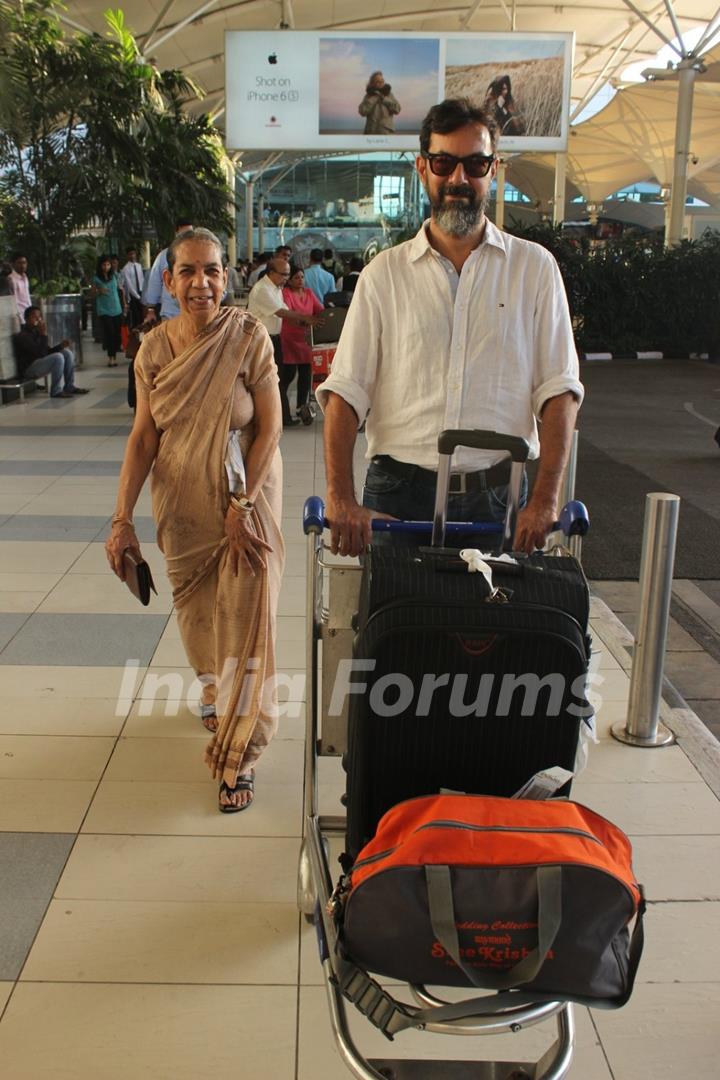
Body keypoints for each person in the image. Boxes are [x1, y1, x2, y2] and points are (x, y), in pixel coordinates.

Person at [316, 97, 583, 558]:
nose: (459, 178)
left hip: (499, 497)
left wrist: (544, 500)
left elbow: (559, 392)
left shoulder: (534, 269)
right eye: (444, 162)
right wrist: (341, 498)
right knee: (396, 627)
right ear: (423, 169)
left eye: (475, 163)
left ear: (492, 169)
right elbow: (346, 392)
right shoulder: (384, 274)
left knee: (493, 629)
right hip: (399, 497)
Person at [105, 227, 284, 813]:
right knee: (196, 611)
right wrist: (121, 518)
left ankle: (241, 754)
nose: (201, 282)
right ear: (169, 280)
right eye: (188, 271)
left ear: (226, 276)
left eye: (212, 270)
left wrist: (244, 504)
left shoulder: (249, 337)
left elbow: (271, 428)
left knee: (247, 612)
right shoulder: (153, 349)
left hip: (247, 497)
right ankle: (213, 685)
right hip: (180, 501)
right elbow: (143, 437)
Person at [247, 256, 322, 427]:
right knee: (275, 378)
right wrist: (305, 318)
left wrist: (304, 322)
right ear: (271, 272)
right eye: (284, 274)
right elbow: (281, 312)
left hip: (275, 338)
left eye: (288, 274)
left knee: (280, 377)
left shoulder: (276, 287)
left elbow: (287, 311)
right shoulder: (263, 290)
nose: (287, 278)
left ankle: (283, 415)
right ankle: (279, 416)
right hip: (262, 340)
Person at [280, 264, 324, 425]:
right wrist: (306, 320)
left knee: (305, 375)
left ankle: (301, 408)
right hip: (290, 338)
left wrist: (323, 316)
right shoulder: (286, 293)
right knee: (289, 374)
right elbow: (288, 314)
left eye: (302, 277)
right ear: (289, 280)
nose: (300, 280)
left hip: (305, 339)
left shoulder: (309, 293)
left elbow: (319, 309)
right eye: (296, 277)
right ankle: (282, 408)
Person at [13, 306, 89, 397]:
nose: (38, 319)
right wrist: (43, 335)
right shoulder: (23, 336)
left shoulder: (36, 332)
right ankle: (56, 391)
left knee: (67, 353)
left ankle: (69, 386)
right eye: (34, 317)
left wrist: (61, 346)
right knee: (58, 357)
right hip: (29, 369)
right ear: (26, 319)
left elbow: (47, 351)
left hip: (39, 362)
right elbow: (40, 354)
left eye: (39, 317)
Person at [142, 218, 193, 321]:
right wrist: (151, 309)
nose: (187, 237)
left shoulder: (200, 255)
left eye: (190, 233)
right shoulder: (163, 256)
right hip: (170, 314)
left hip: (194, 314)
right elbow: (154, 283)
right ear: (176, 234)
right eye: (184, 234)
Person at [93, 254, 126, 367]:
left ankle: (114, 357)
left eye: (108, 264)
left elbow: (121, 290)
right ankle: (110, 358)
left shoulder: (115, 276)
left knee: (117, 334)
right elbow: (92, 293)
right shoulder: (96, 278)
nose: (106, 267)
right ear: (100, 266)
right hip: (104, 310)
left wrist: (124, 305)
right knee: (109, 333)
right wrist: (98, 291)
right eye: (104, 265)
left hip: (116, 308)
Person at [358, 71, 401, 135]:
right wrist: (374, 98)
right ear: (372, 83)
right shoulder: (368, 96)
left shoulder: (389, 94)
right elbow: (362, 112)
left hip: (386, 133)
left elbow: (397, 109)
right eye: (378, 81)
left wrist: (384, 99)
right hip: (371, 133)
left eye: (382, 80)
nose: (381, 82)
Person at [120, 247, 146, 327]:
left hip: (141, 292)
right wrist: (137, 296)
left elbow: (142, 279)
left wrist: (144, 293)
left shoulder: (139, 266)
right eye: (130, 254)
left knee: (143, 316)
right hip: (133, 296)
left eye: (133, 253)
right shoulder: (126, 269)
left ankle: (143, 335)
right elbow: (129, 285)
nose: (132, 256)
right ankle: (136, 335)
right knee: (136, 317)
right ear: (127, 256)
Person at [8, 253, 31, 323]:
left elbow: (27, 298)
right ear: (12, 264)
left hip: (28, 316)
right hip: (19, 318)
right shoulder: (11, 279)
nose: (22, 265)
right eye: (19, 263)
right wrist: (20, 319)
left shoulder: (25, 277)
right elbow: (14, 301)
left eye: (24, 263)